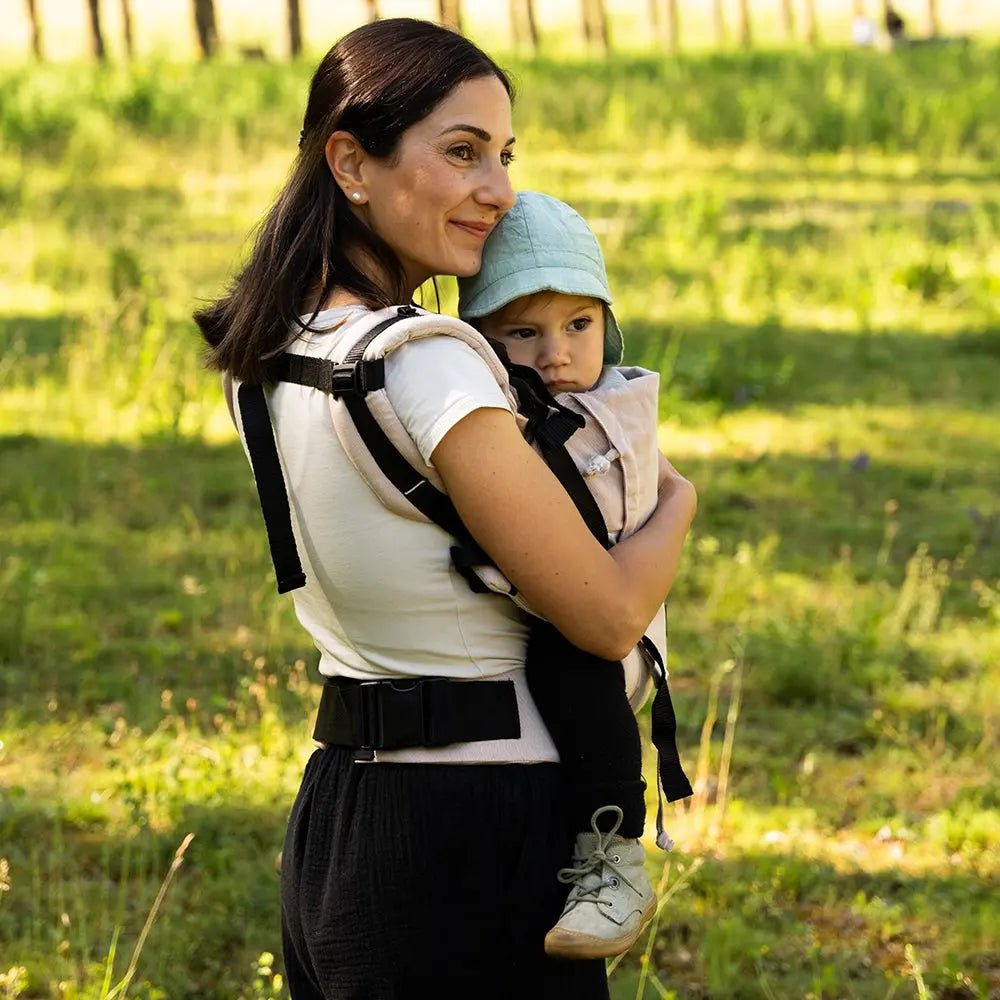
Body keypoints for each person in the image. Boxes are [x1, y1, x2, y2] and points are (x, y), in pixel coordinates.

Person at [194, 17, 696, 999]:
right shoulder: (425, 361)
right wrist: (678, 501)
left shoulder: (277, 346)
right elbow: (604, 615)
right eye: (462, 152)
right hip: (474, 834)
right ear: (351, 163)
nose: (498, 190)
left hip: (342, 811)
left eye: (505, 155)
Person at [458, 191, 688, 960]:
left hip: (600, 617)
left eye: (578, 325)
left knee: (567, 665)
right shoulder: (501, 408)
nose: (556, 353)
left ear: (607, 326)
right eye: (524, 332)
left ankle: (616, 856)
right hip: (573, 598)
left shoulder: (606, 408)